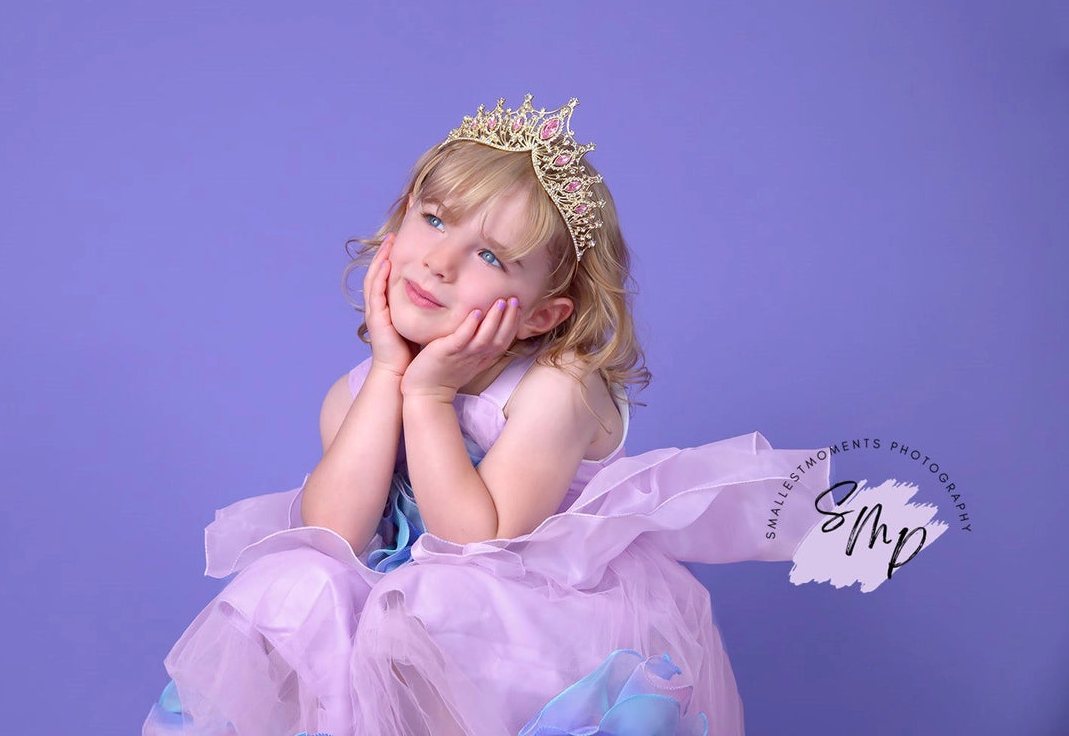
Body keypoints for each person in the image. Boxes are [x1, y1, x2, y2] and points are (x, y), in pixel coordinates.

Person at [142, 95, 831, 736]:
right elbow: (330, 534)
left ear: (541, 314)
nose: (440, 262)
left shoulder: (556, 390)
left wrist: (429, 397)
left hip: (526, 635)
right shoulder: (357, 391)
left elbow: (475, 544)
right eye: (434, 219)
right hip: (402, 625)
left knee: (429, 597)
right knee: (294, 582)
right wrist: (389, 373)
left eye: (490, 256)